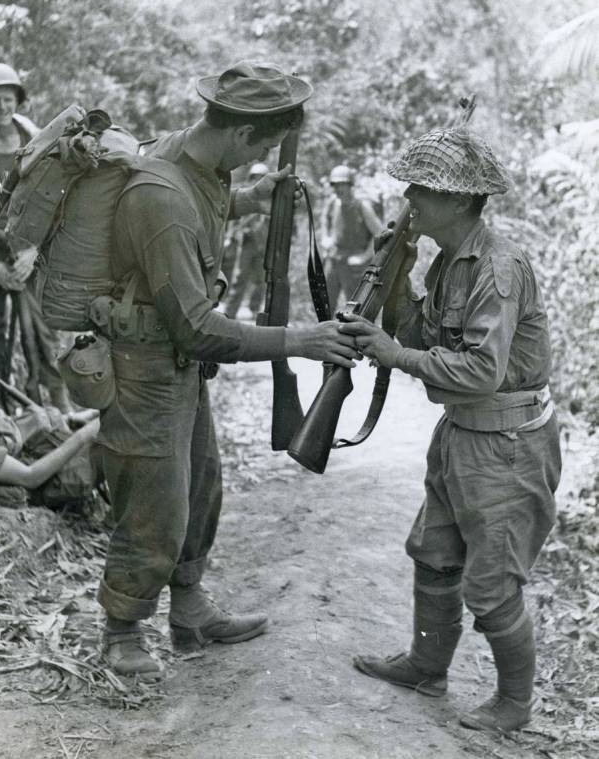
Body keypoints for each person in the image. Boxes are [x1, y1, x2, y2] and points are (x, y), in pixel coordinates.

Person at [93, 61, 360, 680]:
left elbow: (205, 206)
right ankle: (122, 630)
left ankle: (188, 607)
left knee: (200, 486)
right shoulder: (159, 197)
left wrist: (249, 197)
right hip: (145, 364)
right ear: (242, 135)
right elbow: (195, 325)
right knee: (152, 499)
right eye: (262, 147)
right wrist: (298, 339)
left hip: (179, 363)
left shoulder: (198, 161)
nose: (261, 155)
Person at [339, 127, 561, 733]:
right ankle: (426, 665)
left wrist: (393, 354)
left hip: (507, 445)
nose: (409, 197)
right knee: (434, 556)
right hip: (462, 434)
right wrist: (399, 278)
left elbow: (483, 371)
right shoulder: (446, 264)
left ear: (462, 201)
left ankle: (514, 703)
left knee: (490, 587)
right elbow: (420, 337)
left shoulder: (500, 269)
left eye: (423, 188)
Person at [0, 63, 70, 411]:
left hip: (31, 257)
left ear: (18, 101)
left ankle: (55, 410)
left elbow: (55, 200)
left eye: (8, 99)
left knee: (43, 334)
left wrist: (34, 251)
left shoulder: (39, 143)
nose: (2, 107)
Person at [0, 352, 99, 507]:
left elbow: (11, 432)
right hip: (47, 482)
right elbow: (30, 477)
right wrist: (85, 434)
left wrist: (70, 419)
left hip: (49, 451)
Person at [321, 164, 383, 311]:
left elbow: (380, 235)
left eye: (343, 184)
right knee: (325, 303)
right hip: (334, 257)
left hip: (354, 262)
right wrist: (326, 238)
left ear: (350, 185)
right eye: (335, 185)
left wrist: (365, 256)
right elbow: (325, 220)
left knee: (356, 308)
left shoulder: (362, 206)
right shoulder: (332, 203)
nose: (338, 189)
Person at [223, 162, 269, 320]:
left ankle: (255, 310)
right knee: (239, 278)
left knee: (261, 281)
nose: (258, 180)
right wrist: (230, 237)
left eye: (261, 178)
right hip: (246, 243)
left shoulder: (271, 199)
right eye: (255, 177)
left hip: (264, 245)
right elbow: (233, 221)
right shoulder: (246, 196)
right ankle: (230, 311)